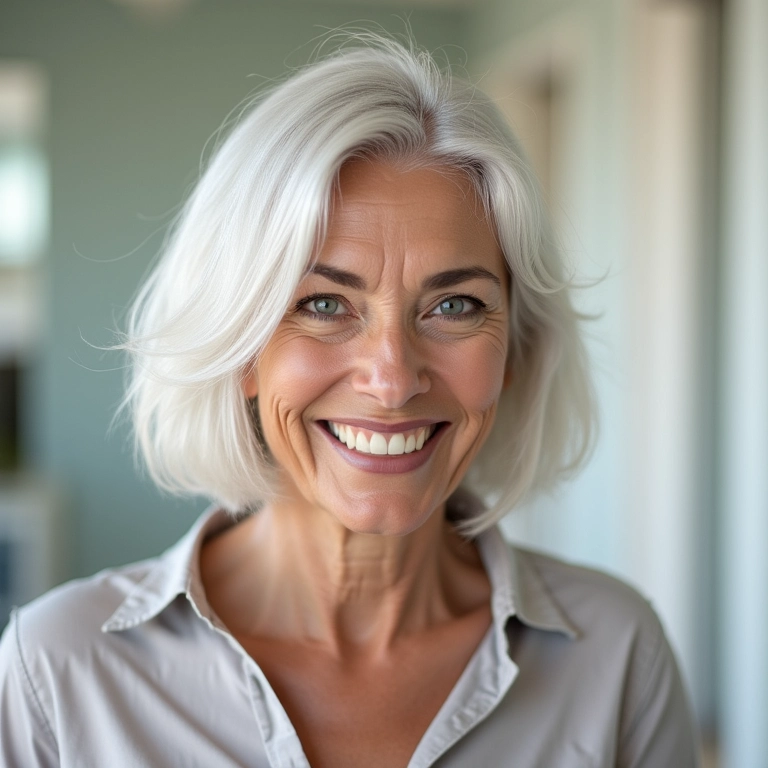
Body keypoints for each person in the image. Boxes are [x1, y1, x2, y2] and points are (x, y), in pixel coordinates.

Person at [0, 35, 699, 767]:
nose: (393, 380)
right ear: (239, 348)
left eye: (455, 305)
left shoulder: (618, 656)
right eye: (325, 304)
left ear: (515, 352)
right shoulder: (61, 673)